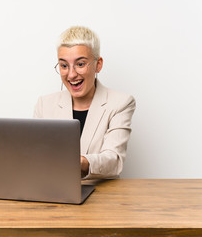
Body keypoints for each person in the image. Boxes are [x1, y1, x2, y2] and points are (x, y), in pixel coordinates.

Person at [33, 26, 136, 179]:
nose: (71, 74)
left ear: (98, 64)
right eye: (64, 65)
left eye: (80, 64)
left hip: (101, 196)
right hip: (54, 192)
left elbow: (114, 160)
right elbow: (35, 156)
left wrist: (82, 162)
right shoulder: (44, 104)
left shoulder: (121, 103)